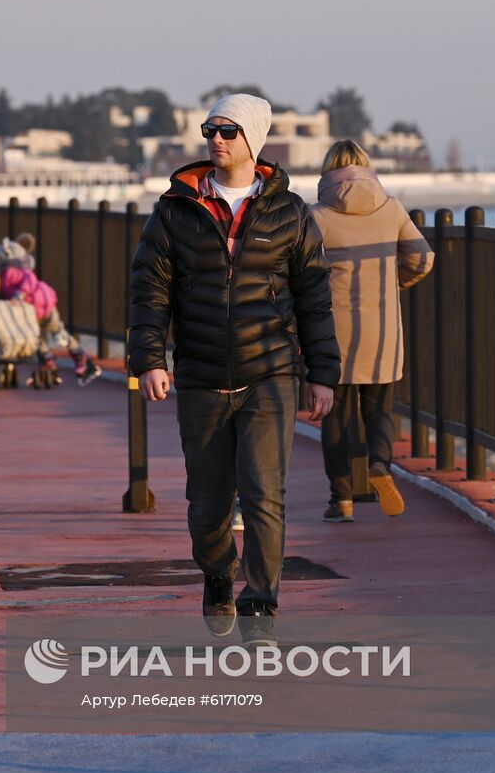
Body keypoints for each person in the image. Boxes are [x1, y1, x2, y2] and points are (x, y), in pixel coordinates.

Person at [128, 93, 340, 642]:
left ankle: (261, 604)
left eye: (227, 130)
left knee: (265, 492)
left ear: (253, 140)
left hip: (270, 374)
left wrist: (323, 372)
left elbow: (314, 298)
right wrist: (150, 359)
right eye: (210, 129)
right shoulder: (175, 210)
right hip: (200, 375)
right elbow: (149, 292)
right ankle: (219, 575)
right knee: (207, 502)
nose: (215, 139)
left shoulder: (290, 213)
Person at [310, 140, 434, 522]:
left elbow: (299, 269)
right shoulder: (391, 209)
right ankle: (380, 462)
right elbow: (423, 258)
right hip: (381, 331)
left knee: (336, 417)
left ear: (328, 170)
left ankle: (342, 499)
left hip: (332, 334)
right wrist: (395, 283)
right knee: (380, 409)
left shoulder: (316, 215)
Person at [0, 236, 101, 386]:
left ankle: (81, 357)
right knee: (36, 338)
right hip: (31, 312)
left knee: (58, 332)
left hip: (43, 305)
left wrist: (19, 295)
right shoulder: (5, 275)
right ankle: (48, 362)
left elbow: (29, 280)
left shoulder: (13, 272)